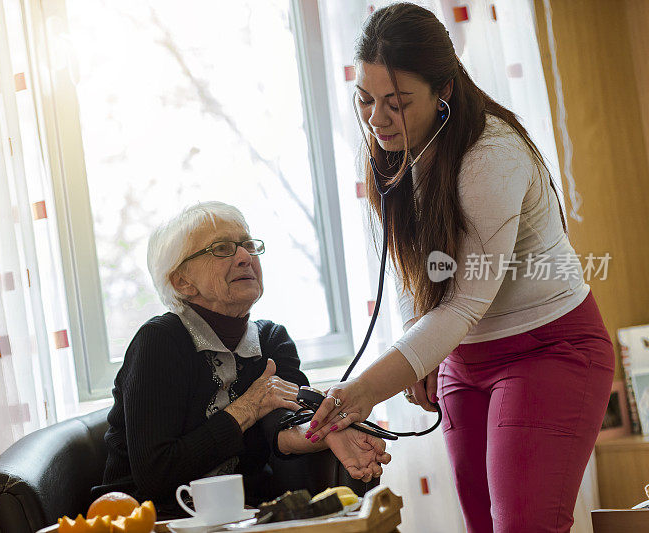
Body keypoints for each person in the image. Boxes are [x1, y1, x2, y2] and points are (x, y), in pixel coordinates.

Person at [305, 4, 614, 532]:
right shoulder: (392, 146)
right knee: (481, 525)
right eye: (365, 100)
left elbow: (467, 301)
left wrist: (361, 392)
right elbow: (410, 264)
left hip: (549, 350)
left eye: (395, 103)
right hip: (463, 360)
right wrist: (418, 348)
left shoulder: (492, 155)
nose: (376, 118)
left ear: (442, 91)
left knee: (524, 524)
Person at [96, 201, 390, 518]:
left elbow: (283, 424)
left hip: (245, 515)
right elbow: (156, 473)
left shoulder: (272, 340)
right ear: (182, 281)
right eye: (223, 248)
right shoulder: (159, 342)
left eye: (248, 245)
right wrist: (248, 406)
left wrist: (332, 431)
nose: (245, 257)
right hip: (149, 517)